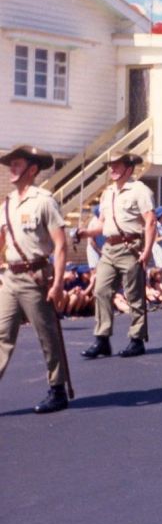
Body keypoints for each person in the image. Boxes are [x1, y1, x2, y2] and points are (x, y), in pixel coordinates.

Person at [0, 145, 72, 413]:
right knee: (1, 335)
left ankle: (57, 389)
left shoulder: (44, 201)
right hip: (10, 277)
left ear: (32, 170)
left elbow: (61, 245)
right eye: (11, 165)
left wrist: (58, 283)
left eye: (17, 165)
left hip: (36, 276)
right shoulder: (7, 204)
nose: (11, 170)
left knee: (46, 335)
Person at [77, 151, 155, 359]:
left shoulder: (140, 190)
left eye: (117, 165)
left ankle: (137, 339)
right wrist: (85, 232)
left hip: (131, 247)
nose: (112, 169)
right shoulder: (108, 192)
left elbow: (150, 222)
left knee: (134, 294)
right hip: (109, 249)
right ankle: (102, 339)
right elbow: (102, 223)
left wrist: (147, 251)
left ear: (129, 168)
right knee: (101, 291)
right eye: (110, 166)